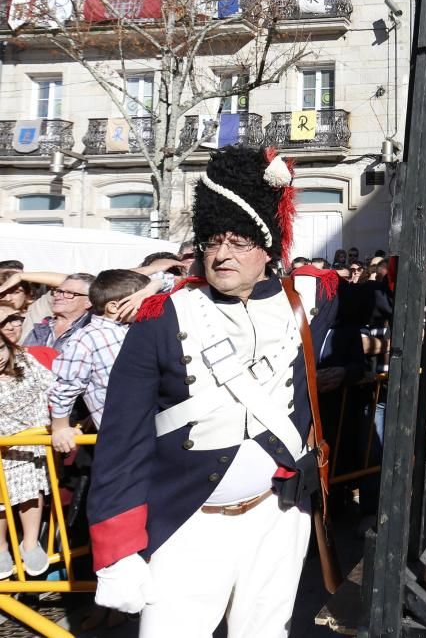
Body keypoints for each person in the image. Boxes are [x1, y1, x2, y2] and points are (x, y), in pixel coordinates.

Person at [86, 147, 336, 636]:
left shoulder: (311, 299)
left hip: (279, 517)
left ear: (268, 246)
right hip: (187, 523)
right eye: (212, 240)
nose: (222, 254)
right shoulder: (161, 317)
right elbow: (123, 441)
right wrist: (117, 550)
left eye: (240, 241)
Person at [48, 270, 151, 451]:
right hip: (121, 437)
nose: (149, 304)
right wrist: (60, 427)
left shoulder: (134, 329)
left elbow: (167, 282)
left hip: (149, 431)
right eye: (142, 302)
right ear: (113, 307)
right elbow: (65, 386)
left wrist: (151, 289)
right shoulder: (87, 338)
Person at [0, 333, 54, 578]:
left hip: (32, 444)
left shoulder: (26, 361)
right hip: (3, 446)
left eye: (1, 348)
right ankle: (1, 547)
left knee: (30, 486)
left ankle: (30, 543)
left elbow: (52, 385)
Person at [23, 274, 94, 353]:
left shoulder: (91, 333)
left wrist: (20, 276)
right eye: (59, 291)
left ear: (88, 302)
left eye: (69, 293)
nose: (58, 297)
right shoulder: (40, 329)